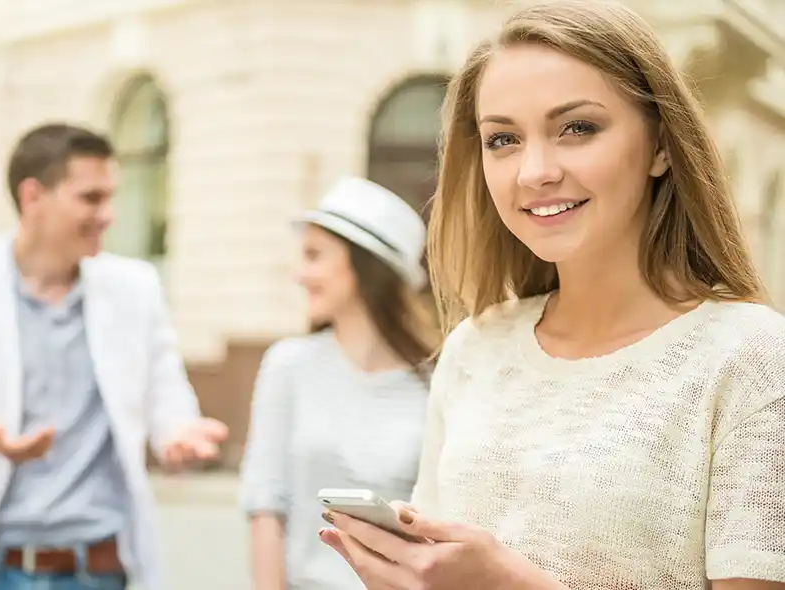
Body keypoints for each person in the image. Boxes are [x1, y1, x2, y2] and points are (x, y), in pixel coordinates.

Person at [320, 2, 785, 589]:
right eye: (503, 139)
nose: (534, 171)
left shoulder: (754, 357)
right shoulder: (475, 348)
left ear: (662, 147)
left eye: (577, 128)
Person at [0, 122, 228, 590]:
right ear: (32, 197)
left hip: (99, 571)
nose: (108, 214)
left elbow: (168, 401)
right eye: (91, 198)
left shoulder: (134, 289)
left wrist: (181, 437)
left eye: (111, 196)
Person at [240, 176, 440, 589]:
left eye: (315, 256)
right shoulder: (287, 365)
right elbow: (265, 504)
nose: (299, 274)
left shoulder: (438, 382)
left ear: (366, 266)